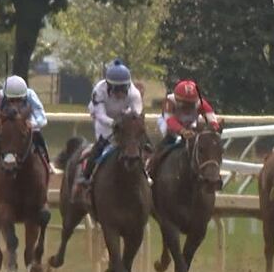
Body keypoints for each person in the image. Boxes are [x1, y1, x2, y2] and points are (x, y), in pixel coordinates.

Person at [72, 59, 143, 201]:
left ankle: (146, 174)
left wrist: (126, 121)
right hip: (105, 123)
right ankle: (85, 177)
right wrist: (114, 123)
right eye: (116, 89)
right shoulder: (99, 90)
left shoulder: (134, 94)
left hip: (125, 121)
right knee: (101, 145)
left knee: (140, 144)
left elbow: (137, 114)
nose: (120, 93)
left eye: (123, 89)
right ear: (108, 85)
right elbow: (100, 115)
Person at [149, 79, 221, 175]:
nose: (187, 107)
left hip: (189, 125)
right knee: (168, 138)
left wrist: (215, 127)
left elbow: (212, 118)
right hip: (168, 125)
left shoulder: (201, 103)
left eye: (190, 104)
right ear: (177, 99)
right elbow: (170, 121)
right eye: (184, 104)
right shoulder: (169, 101)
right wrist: (182, 131)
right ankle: (151, 167)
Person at [0, 75, 49, 171]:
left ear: (24, 95)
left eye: (19, 99)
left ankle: (47, 162)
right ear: (5, 95)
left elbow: (43, 118)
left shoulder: (31, 95)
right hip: (6, 125)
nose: (15, 103)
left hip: (25, 125)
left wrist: (33, 123)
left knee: (37, 133)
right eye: (11, 100)